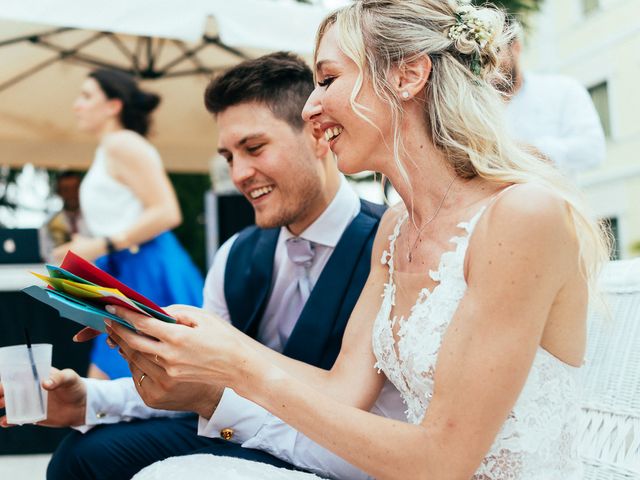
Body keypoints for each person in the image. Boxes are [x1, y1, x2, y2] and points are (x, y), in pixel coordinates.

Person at [105, 1, 610, 479]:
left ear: (408, 75)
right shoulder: (394, 230)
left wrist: (238, 365)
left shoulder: (523, 214)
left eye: (326, 79)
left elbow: (442, 461)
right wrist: (207, 345)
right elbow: (341, 392)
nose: (309, 107)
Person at [10, 53, 398, 480]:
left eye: (254, 148)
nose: (240, 173)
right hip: (239, 430)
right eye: (229, 156)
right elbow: (196, 376)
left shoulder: (392, 247)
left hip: (341, 451)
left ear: (319, 135)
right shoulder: (235, 254)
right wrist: (89, 399)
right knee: (81, 455)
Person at [53, 68, 203, 380]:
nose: (76, 105)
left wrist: (100, 245)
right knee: (121, 380)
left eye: (86, 96)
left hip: (144, 265)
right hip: (125, 266)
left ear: (113, 105)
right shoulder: (111, 147)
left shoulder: (122, 144)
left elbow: (167, 211)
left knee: (133, 379)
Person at [496, 19, 606, 178]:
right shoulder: (471, 107)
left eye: (496, 50)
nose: (489, 63)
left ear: (516, 47)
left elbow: (593, 150)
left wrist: (529, 151)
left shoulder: (563, 89)